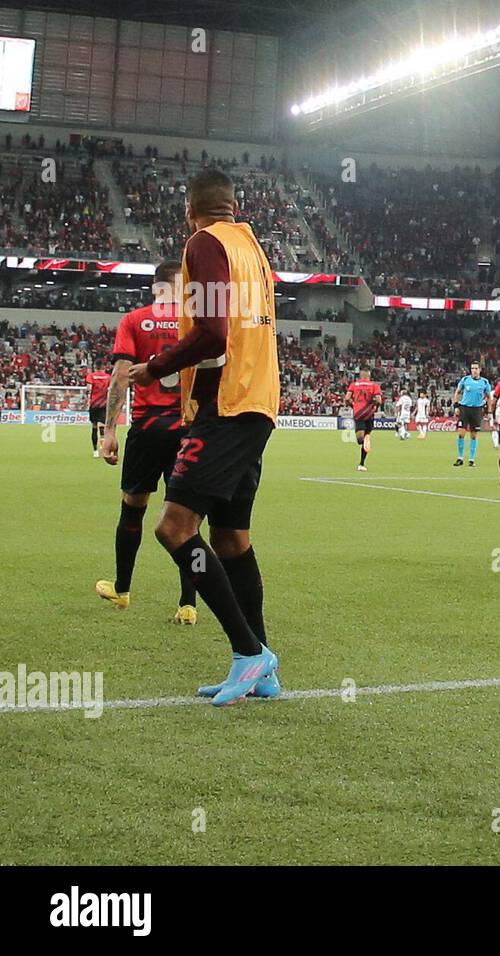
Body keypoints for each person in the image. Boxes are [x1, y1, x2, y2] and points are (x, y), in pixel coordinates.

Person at [129, 167, 282, 706]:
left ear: (190, 210)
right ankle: (262, 666)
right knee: (231, 537)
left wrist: (156, 366)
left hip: (229, 403)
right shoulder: (252, 249)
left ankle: (249, 652)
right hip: (258, 400)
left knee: (173, 529)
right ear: (232, 206)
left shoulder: (205, 243)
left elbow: (214, 333)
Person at [94, 260, 198, 624]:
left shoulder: (135, 320)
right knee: (186, 521)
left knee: (132, 509)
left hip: (147, 429)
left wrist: (109, 431)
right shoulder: (195, 322)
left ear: (156, 286)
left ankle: (122, 590)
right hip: (187, 431)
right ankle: (188, 603)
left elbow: (122, 376)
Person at [452, 361, 492, 467]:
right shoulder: (465, 380)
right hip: (464, 409)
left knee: (473, 436)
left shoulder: (484, 382)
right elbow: (457, 392)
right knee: (461, 434)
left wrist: (489, 411)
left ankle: (471, 459)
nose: (473, 370)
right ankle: (460, 458)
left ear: (480, 370)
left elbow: (489, 397)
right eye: (472, 368)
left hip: (477, 410)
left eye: (475, 368)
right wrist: (456, 406)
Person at [348, 369, 381, 470]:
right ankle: (361, 464)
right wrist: (376, 407)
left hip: (358, 413)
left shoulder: (354, 385)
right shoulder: (374, 385)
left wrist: (353, 405)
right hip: (369, 414)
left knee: (360, 439)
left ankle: (361, 463)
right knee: (366, 437)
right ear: (369, 376)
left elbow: (347, 398)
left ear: (361, 376)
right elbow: (378, 399)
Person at [86, 366, 111, 455]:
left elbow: (89, 389)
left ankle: (95, 451)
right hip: (104, 404)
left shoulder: (91, 376)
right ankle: (103, 447)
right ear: (103, 367)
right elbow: (111, 388)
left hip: (94, 404)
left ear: (95, 367)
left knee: (94, 426)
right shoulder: (108, 377)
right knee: (103, 427)